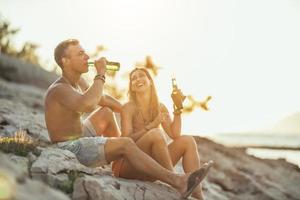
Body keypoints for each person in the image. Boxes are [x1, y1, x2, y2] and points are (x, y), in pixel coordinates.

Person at [44, 39, 212, 199]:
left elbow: (103, 100)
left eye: (85, 53)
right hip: (68, 147)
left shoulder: (78, 81)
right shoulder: (59, 89)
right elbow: (87, 104)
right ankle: (177, 181)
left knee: (107, 113)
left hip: (80, 134)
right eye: (80, 54)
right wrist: (101, 75)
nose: (87, 57)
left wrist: (129, 109)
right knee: (129, 142)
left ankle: (197, 196)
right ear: (65, 61)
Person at [112, 68, 210, 199]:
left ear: (150, 82)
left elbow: (175, 134)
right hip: (127, 166)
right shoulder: (128, 108)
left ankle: (198, 195)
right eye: (133, 78)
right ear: (132, 88)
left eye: (141, 76)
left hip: (151, 168)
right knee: (156, 133)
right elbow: (126, 140)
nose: (137, 80)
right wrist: (151, 126)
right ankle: (177, 182)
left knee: (188, 140)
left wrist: (178, 108)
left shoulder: (160, 107)